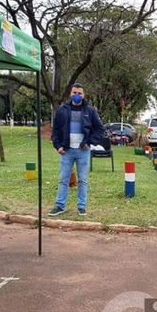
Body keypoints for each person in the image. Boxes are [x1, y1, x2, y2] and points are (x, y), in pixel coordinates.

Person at [48, 83, 104, 217]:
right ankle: (60, 205)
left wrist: (89, 142)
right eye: (74, 93)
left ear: (84, 95)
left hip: (83, 151)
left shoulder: (90, 111)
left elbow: (99, 129)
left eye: (79, 93)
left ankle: (81, 206)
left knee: (83, 180)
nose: (77, 95)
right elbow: (55, 130)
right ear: (70, 94)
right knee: (63, 179)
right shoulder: (63, 109)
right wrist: (58, 146)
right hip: (66, 150)